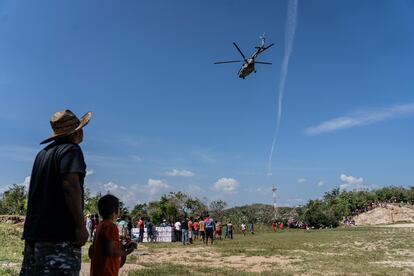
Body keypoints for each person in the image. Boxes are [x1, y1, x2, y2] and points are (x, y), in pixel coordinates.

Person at [20, 109, 92, 276]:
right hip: (58, 236)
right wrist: (81, 227)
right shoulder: (71, 150)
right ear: (77, 131)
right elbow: (71, 187)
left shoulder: (42, 154)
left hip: (34, 235)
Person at [89, 194, 136, 276]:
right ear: (115, 211)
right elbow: (111, 252)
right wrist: (128, 251)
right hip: (107, 272)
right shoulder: (111, 227)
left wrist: (123, 247)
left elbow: (103, 248)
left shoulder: (100, 225)